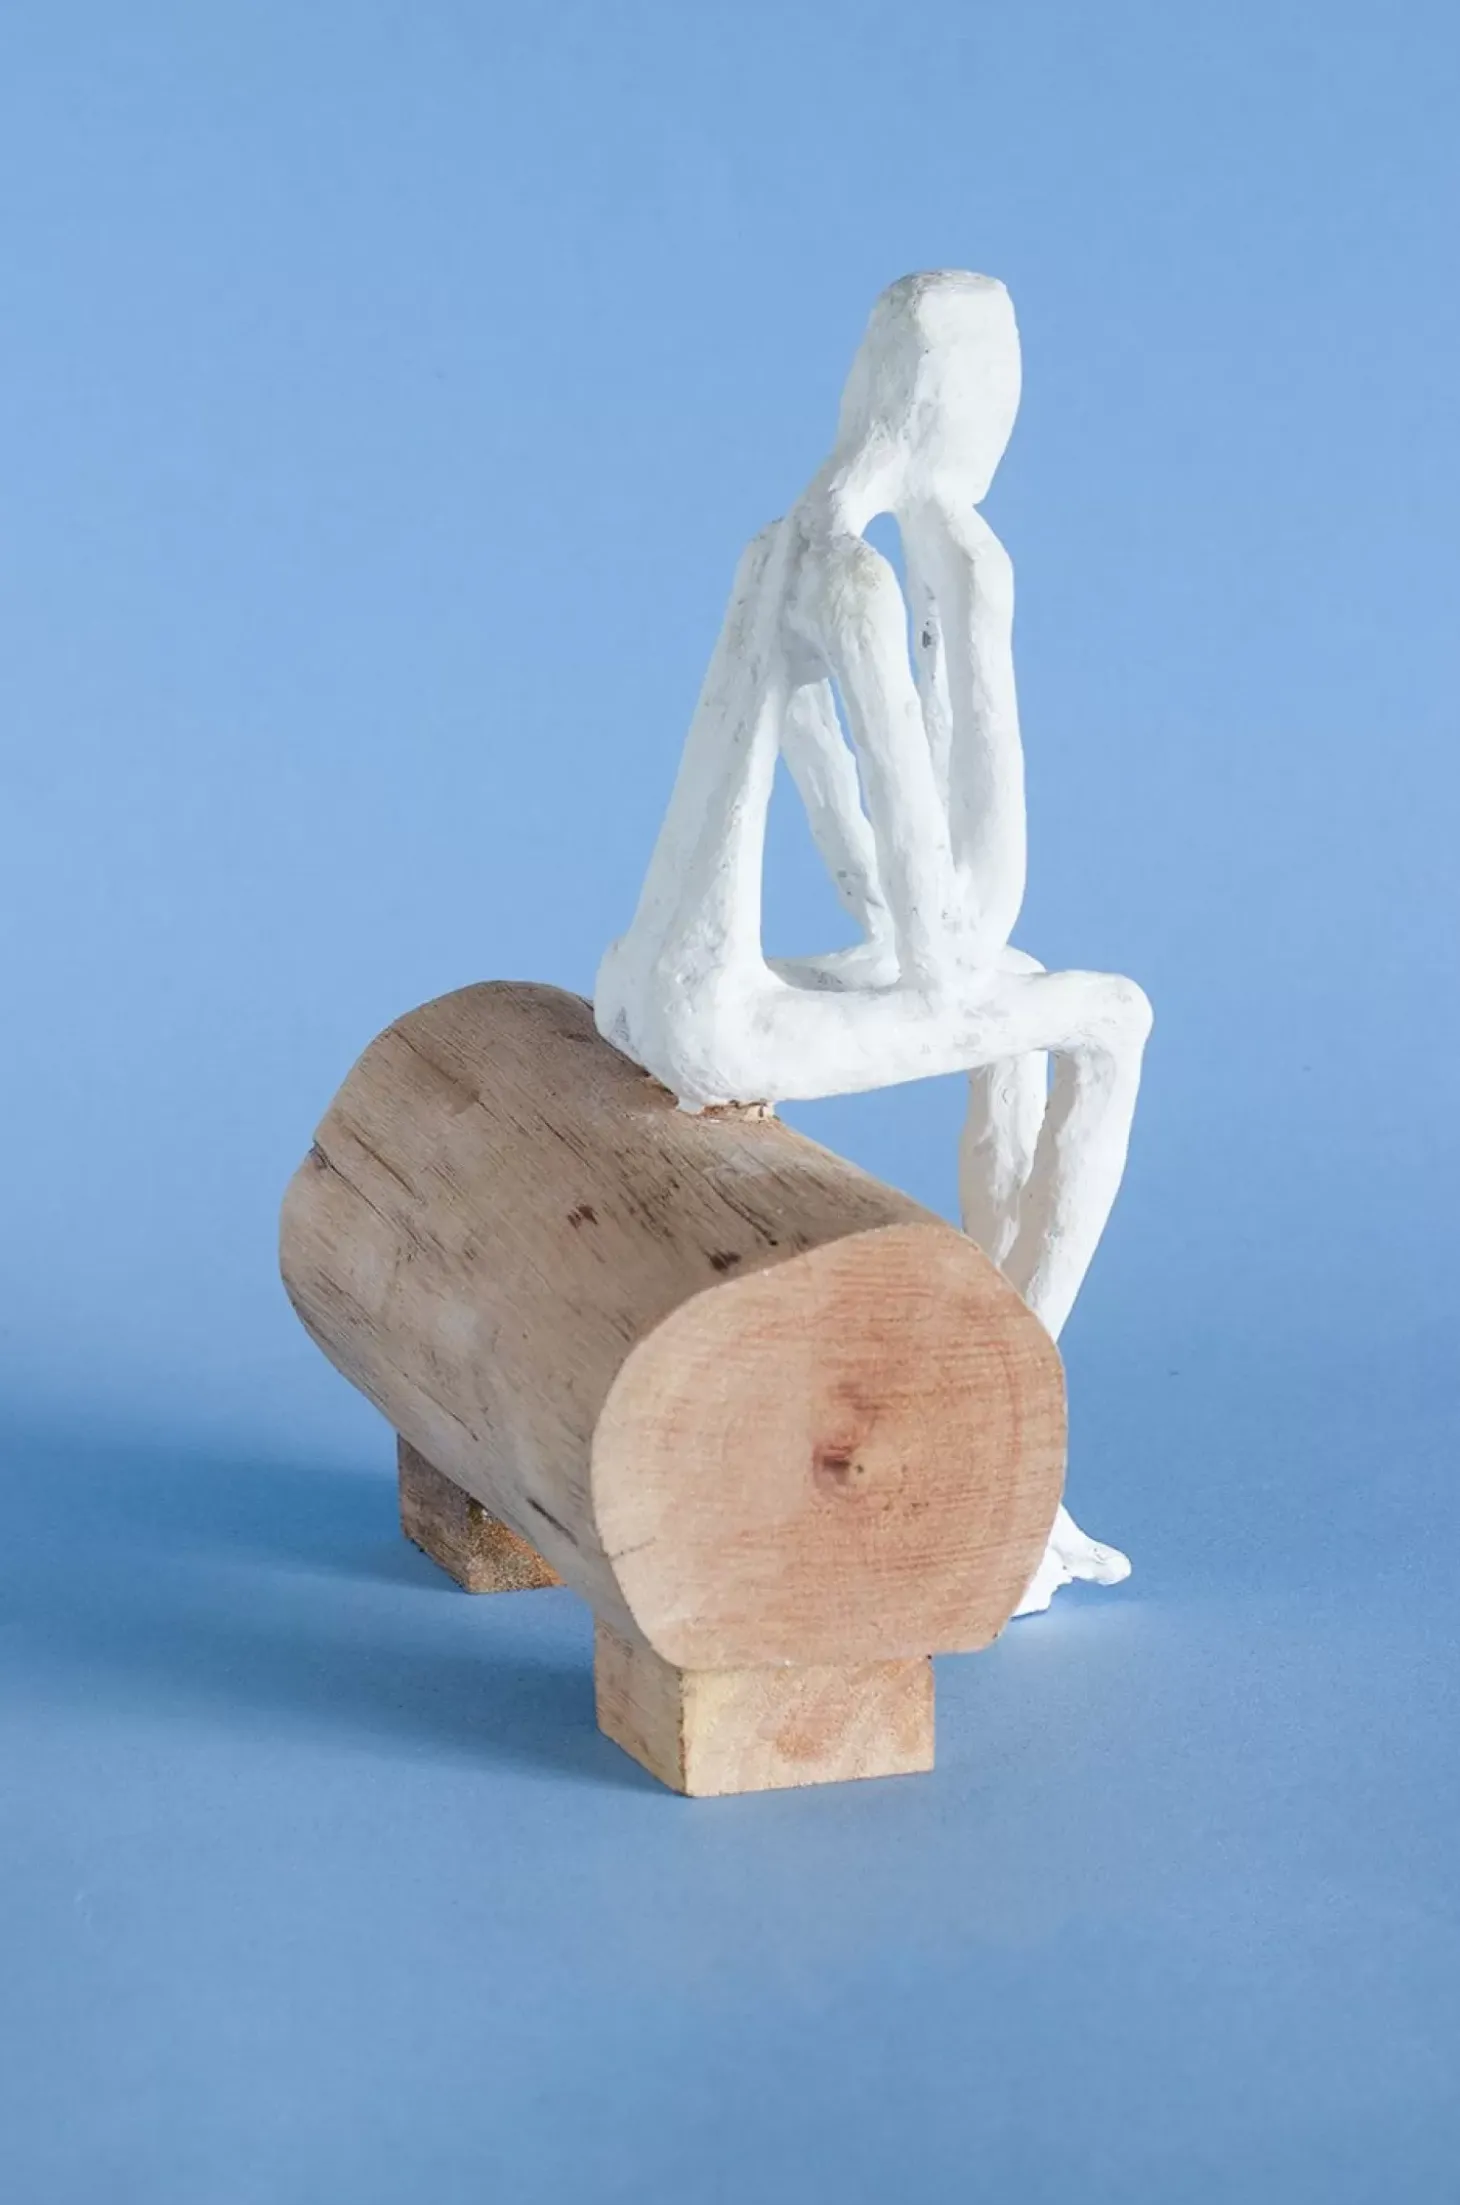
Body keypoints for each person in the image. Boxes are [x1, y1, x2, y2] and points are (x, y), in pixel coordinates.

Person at [596, 272, 1152, 1613]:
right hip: (724, 1022)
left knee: (1019, 1011)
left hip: (644, 982)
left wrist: (922, 947)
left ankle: (993, 1416)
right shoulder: (859, 579)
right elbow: (924, 866)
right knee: (1111, 1019)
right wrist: (981, 619)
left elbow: (839, 815)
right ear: (958, 403)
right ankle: (994, 1409)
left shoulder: (781, 545)